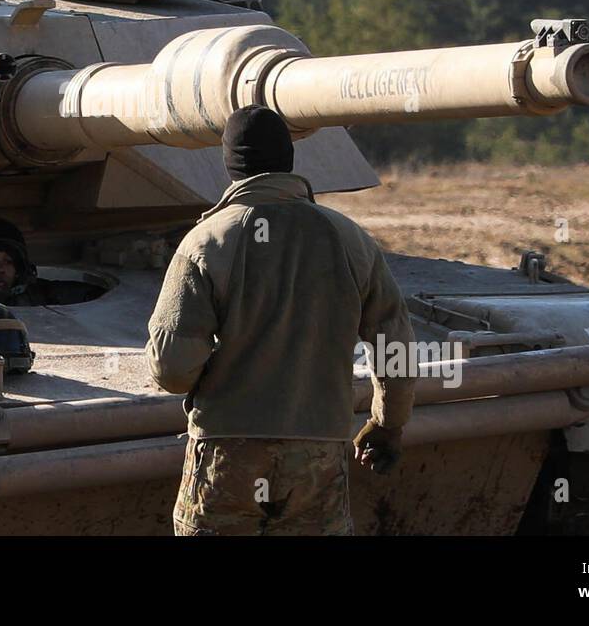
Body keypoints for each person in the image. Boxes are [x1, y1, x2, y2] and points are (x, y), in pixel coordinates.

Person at [146, 105, 417, 535]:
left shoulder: (206, 241)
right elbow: (396, 346)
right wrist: (388, 423)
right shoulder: (350, 239)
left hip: (228, 455)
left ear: (230, 162)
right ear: (288, 158)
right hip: (318, 455)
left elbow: (174, 369)